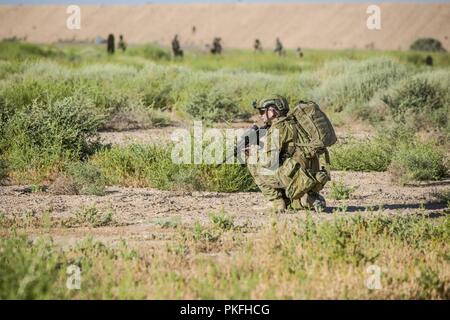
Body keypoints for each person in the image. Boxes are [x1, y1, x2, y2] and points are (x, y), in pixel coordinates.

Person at [246, 95, 330, 212]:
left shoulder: (278, 128)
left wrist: (254, 151)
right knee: (293, 204)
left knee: (253, 162)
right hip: (313, 176)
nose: (260, 115)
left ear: (272, 111)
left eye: (262, 111)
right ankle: (308, 198)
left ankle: (276, 202)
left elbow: (268, 162)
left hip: (297, 175)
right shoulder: (295, 122)